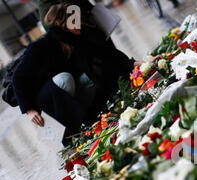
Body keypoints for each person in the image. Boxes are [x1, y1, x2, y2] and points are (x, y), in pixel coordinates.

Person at [12, 3, 135, 145]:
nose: (80, 24)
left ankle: (87, 118)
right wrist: (29, 110)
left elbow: (107, 54)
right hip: (47, 98)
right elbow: (18, 77)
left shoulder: (77, 39)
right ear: (63, 23)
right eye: (74, 21)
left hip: (64, 91)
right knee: (66, 78)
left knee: (90, 76)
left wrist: (133, 64)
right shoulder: (42, 45)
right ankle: (70, 131)